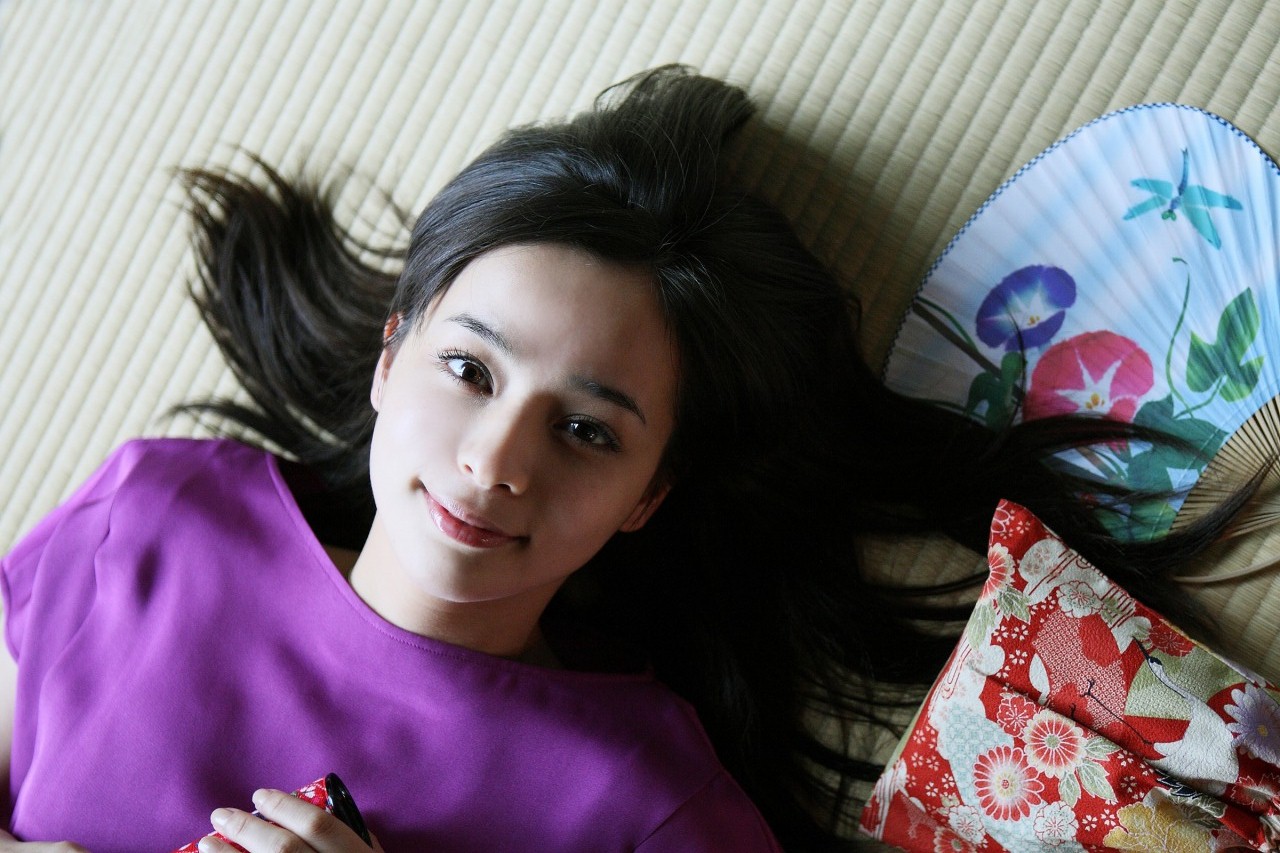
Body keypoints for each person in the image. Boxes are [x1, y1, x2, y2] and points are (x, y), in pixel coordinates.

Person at [0, 66, 1234, 852]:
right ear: (390, 356)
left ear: (650, 492)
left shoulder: (645, 803)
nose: (496, 460)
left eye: (586, 430)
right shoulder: (156, 515)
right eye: (469, 370)